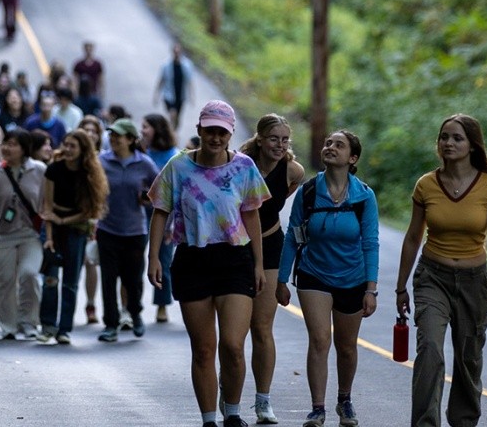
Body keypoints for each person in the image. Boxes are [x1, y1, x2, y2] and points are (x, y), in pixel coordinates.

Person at [147, 100, 270, 427]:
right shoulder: (178, 167)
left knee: (232, 345)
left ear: (230, 135)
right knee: (203, 349)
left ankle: (232, 413)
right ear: (199, 130)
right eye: (209, 131)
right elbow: (160, 211)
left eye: (222, 132)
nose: (215, 138)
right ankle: (209, 420)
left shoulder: (243, 167)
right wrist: (154, 258)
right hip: (192, 257)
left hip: (234, 258)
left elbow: (251, 214)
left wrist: (259, 263)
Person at [395, 114, 487, 427]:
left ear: (472, 145)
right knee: (430, 348)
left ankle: (464, 421)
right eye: (444, 137)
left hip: (475, 281)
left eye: (457, 138)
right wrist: (401, 287)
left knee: (468, 358)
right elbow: (413, 237)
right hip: (433, 277)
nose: (449, 143)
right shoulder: (427, 185)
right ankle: (425, 423)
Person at [277, 130, 378, 427]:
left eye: (339, 145)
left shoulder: (364, 197)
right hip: (313, 274)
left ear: (353, 158)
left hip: (353, 277)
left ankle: (344, 400)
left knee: (346, 346)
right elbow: (292, 237)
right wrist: (282, 280)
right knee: (320, 340)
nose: (330, 147)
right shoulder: (309, 192)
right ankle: (317, 408)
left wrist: (371, 289)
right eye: (328, 143)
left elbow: (370, 242)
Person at [239, 114, 305, 424]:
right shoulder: (239, 163)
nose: (280, 145)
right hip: (237, 248)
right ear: (261, 139)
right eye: (274, 139)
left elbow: (277, 202)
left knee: (262, 328)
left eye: (285, 140)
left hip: (270, 244)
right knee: (234, 331)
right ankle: (230, 395)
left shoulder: (293, 170)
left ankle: (263, 401)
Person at [38, 128, 110, 345]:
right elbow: (48, 208)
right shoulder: (53, 170)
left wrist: (64, 220)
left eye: (73, 146)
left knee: (70, 282)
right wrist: (49, 236)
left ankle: (64, 329)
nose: (68, 149)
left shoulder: (89, 173)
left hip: (76, 230)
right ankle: (48, 325)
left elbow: (91, 211)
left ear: (82, 150)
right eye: (66, 145)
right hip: (54, 230)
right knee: (50, 280)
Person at [95, 118, 159, 342]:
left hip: (134, 231)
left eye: (118, 136)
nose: (113, 139)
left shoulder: (145, 164)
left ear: (131, 140)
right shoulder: (102, 161)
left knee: (133, 278)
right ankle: (110, 324)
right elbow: (92, 187)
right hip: (107, 228)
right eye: (111, 135)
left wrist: (147, 200)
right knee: (109, 278)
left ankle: (135, 313)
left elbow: (159, 191)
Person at [0, 128, 47, 341]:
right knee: (3, 281)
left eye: (13, 144)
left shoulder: (38, 169)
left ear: (24, 149)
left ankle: (29, 322)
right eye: (5, 144)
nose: (6, 148)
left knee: (30, 274)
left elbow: (47, 201)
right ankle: (8, 325)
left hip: (30, 234)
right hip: (0, 234)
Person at [139, 113, 186, 324]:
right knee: (136, 259)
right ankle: (133, 303)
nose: (142, 131)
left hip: (165, 213)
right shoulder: (143, 152)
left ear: (157, 129)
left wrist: (171, 225)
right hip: (141, 211)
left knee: (163, 259)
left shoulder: (172, 156)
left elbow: (175, 193)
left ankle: (161, 303)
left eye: (146, 127)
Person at [79, 114, 105, 324]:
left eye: (93, 131)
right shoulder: (72, 157)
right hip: (73, 216)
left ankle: (90, 304)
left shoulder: (104, 159)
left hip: (96, 217)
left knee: (91, 261)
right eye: (85, 130)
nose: (89, 135)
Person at [153, 42, 195, 131]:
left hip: (180, 96)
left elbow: (190, 81)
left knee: (177, 119)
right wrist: (156, 94)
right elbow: (161, 80)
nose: (176, 54)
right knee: (173, 114)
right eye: (175, 51)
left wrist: (191, 95)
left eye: (178, 52)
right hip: (169, 95)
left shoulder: (187, 65)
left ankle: (174, 131)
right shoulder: (166, 65)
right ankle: (171, 135)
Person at [73, 41, 104, 107]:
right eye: (87, 49)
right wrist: (75, 92)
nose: (88, 51)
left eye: (90, 49)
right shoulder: (79, 64)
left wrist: (101, 92)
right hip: (81, 93)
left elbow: (101, 79)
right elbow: (75, 80)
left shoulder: (97, 64)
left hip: (93, 92)